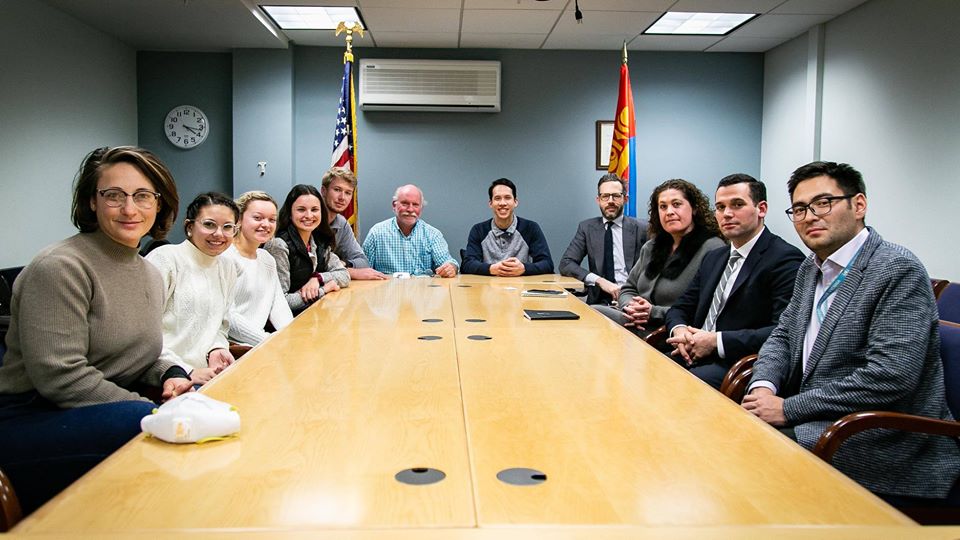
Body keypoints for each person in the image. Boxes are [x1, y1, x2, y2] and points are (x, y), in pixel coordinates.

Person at [742, 161, 960, 502]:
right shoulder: (810, 268)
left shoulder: (896, 269)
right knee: (732, 430)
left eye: (823, 203)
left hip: (883, 437)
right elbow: (783, 336)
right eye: (799, 209)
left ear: (858, 205)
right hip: (825, 415)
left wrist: (789, 408)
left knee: (750, 455)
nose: (810, 216)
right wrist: (763, 387)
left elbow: (890, 377)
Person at [0, 146, 192, 514]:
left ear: (160, 203)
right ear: (92, 202)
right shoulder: (61, 267)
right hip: (30, 415)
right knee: (142, 424)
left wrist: (172, 376)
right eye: (113, 195)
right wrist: (152, 410)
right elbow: (62, 377)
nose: (129, 209)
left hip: (100, 404)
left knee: (199, 400)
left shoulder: (150, 273)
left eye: (142, 196)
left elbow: (137, 355)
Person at [664, 174, 804, 389]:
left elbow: (782, 331)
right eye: (720, 207)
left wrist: (715, 342)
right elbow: (680, 307)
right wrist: (681, 331)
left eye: (737, 205)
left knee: (672, 386)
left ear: (762, 209)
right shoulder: (714, 257)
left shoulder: (784, 259)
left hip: (734, 362)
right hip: (690, 351)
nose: (727, 214)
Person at [597, 179, 724, 336]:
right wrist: (631, 307)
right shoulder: (651, 246)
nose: (669, 211)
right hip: (634, 322)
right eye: (663, 206)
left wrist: (653, 312)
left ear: (694, 209)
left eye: (676, 204)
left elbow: (706, 309)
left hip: (672, 332)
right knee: (588, 314)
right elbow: (628, 288)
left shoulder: (713, 249)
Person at [146, 192, 240, 385]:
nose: (219, 234)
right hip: (165, 375)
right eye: (209, 224)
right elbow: (144, 333)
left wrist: (217, 348)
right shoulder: (165, 259)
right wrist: (185, 371)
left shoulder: (228, 267)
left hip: (207, 374)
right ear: (189, 227)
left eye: (228, 227)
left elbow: (221, 325)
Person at [559, 174, 648, 304]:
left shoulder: (643, 228)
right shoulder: (587, 228)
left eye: (616, 196)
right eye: (605, 196)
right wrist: (599, 280)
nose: (610, 201)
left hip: (634, 299)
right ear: (598, 200)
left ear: (625, 199)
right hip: (599, 300)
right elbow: (566, 263)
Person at [264, 184, 349, 315]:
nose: (309, 215)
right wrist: (324, 289)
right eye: (301, 210)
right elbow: (281, 302)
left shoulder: (318, 241)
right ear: (290, 213)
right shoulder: (279, 246)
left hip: (313, 315)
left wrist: (318, 278)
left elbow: (344, 275)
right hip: (287, 324)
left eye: (314, 210)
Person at [223, 191, 293, 347]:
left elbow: (278, 305)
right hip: (231, 347)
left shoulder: (267, 258)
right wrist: (268, 340)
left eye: (272, 220)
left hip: (260, 344)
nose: (266, 224)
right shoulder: (225, 257)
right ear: (239, 220)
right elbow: (228, 316)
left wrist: (290, 335)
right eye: (258, 218)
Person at [461, 178, 554, 276]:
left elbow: (547, 264)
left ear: (515, 202)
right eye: (497, 198)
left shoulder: (531, 228)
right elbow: (467, 264)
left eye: (507, 197)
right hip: (488, 288)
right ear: (490, 203)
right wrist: (491, 269)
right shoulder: (478, 230)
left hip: (522, 288)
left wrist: (524, 269)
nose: (502, 203)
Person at [362, 184, 458, 277]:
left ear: (421, 208)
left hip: (423, 291)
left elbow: (448, 262)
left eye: (415, 205)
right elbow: (363, 270)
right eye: (405, 203)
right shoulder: (377, 233)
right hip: (387, 291)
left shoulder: (433, 235)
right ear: (394, 205)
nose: (410, 209)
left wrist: (450, 268)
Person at [319, 167, 387, 280]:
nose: (342, 197)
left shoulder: (341, 223)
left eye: (348, 193)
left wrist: (344, 264)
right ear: (323, 191)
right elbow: (312, 268)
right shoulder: (310, 219)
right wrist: (349, 272)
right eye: (337, 190)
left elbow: (363, 261)